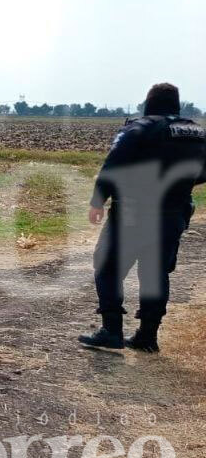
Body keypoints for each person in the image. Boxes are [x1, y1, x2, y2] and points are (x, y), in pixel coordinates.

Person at [79, 83, 206, 352]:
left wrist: (97, 201)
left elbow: (112, 166)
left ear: (149, 102)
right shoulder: (196, 132)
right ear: (176, 104)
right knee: (155, 272)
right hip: (173, 213)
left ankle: (112, 331)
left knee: (108, 267)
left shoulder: (139, 128)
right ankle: (147, 337)